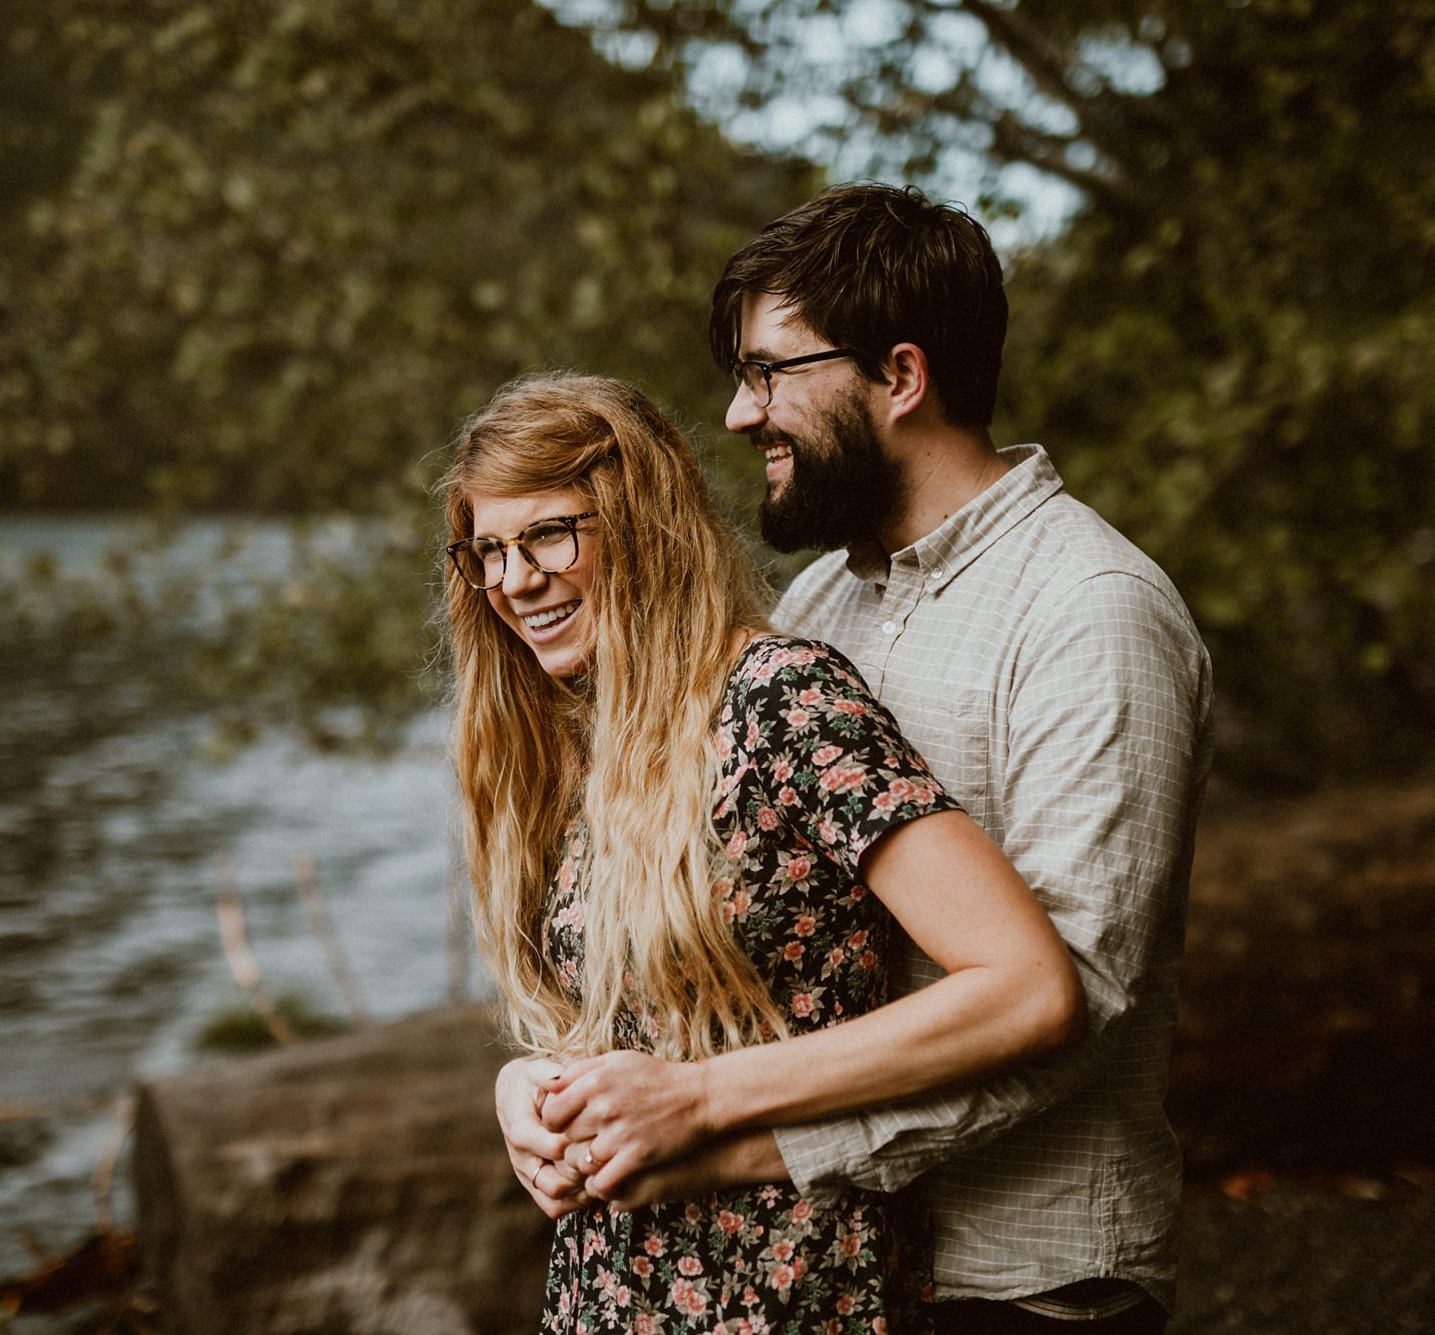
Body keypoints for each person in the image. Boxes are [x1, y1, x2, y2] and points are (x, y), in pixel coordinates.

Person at [500, 186, 1214, 1334]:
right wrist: (547, 1089)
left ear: (900, 375)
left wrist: (729, 1133)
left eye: (768, 372)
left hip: (1017, 1281)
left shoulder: (1090, 610)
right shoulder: (820, 601)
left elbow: (1072, 996)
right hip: (843, 1277)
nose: (740, 414)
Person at [444, 371, 1087, 1334]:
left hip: (792, 1289)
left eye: (548, 534)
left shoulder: (781, 699)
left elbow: (1027, 986)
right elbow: (640, 1022)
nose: (515, 579)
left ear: (643, 524)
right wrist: (529, 1090)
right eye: (488, 550)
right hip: (612, 1291)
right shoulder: (583, 734)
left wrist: (696, 1097)